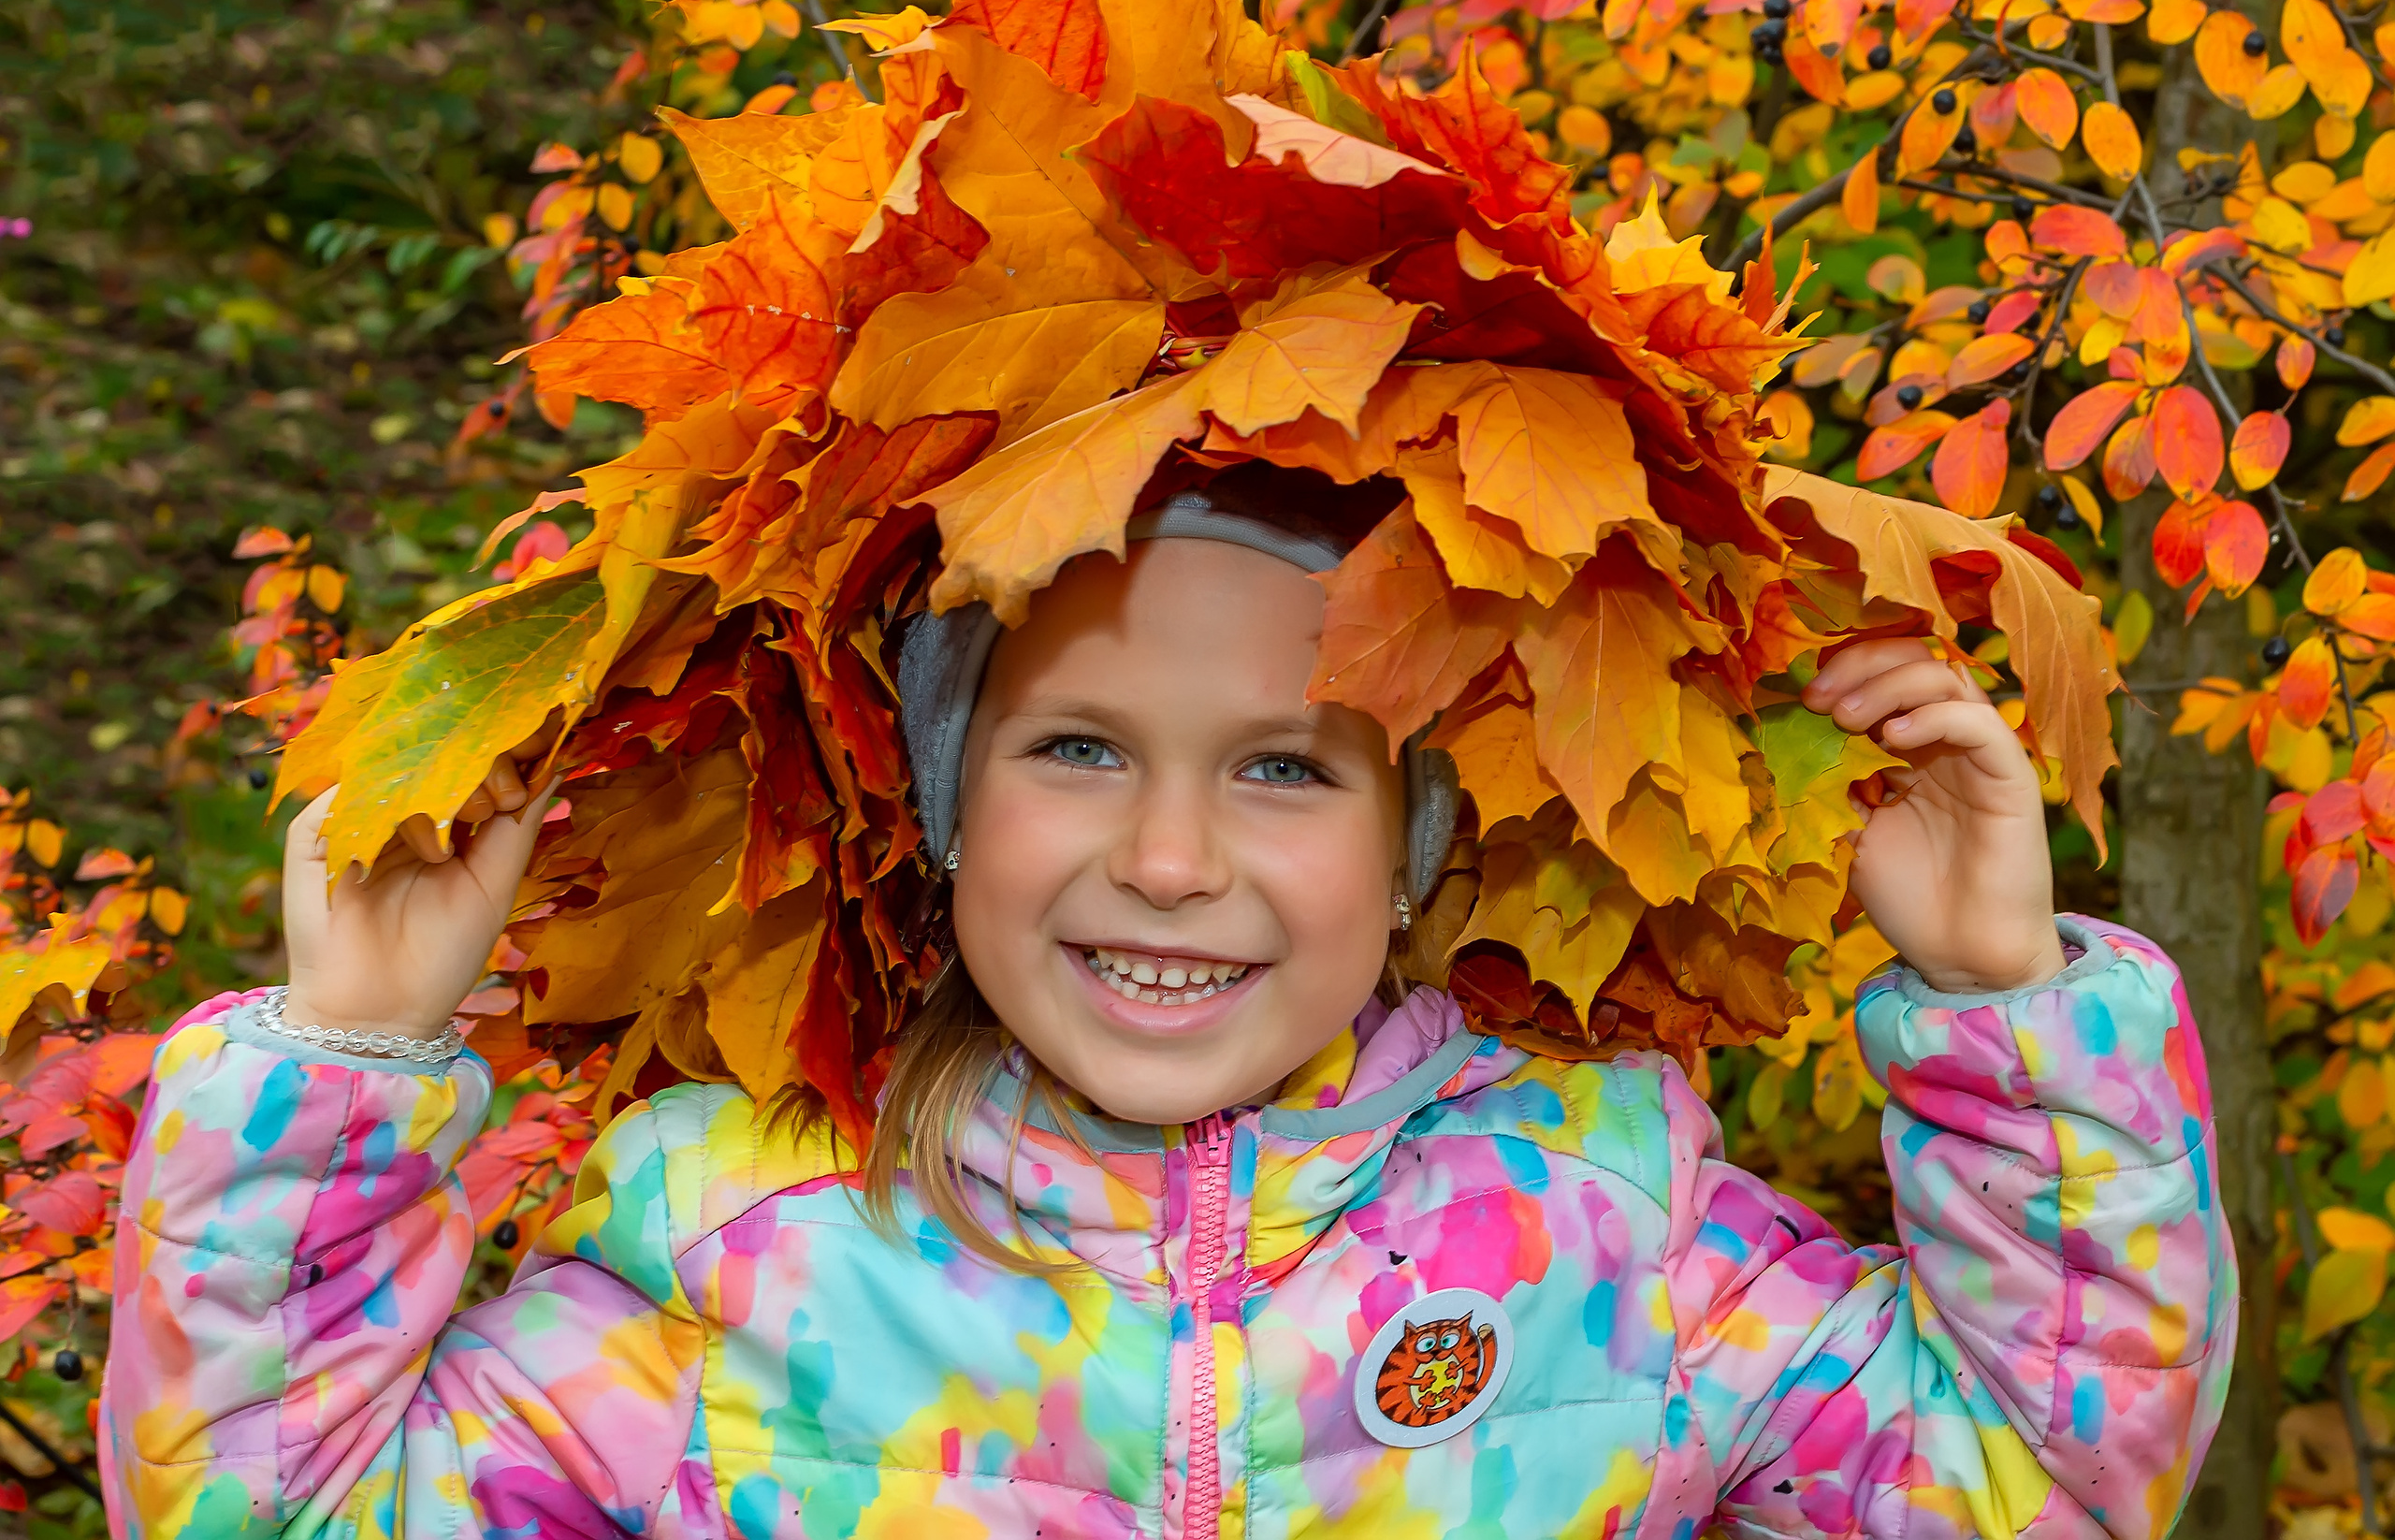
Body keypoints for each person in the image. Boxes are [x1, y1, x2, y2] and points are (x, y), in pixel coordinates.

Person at [103, 482, 2229, 1539]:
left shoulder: (1599, 1236)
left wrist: (1994, 1008)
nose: (1174, 859)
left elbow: (2037, 1479)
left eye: (1289, 767)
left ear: (1415, 856)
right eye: (1077, 751)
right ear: (937, 812)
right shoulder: (743, 1253)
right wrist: (348, 1067)